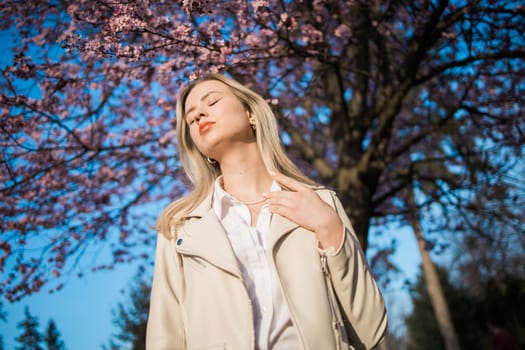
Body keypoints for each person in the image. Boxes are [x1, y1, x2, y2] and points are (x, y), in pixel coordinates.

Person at [146, 73, 388, 350]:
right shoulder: (180, 229)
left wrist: (329, 229)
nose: (200, 114)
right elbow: (164, 336)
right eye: (191, 119)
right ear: (200, 149)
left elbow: (371, 328)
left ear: (251, 115)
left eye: (212, 101)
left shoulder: (321, 203)